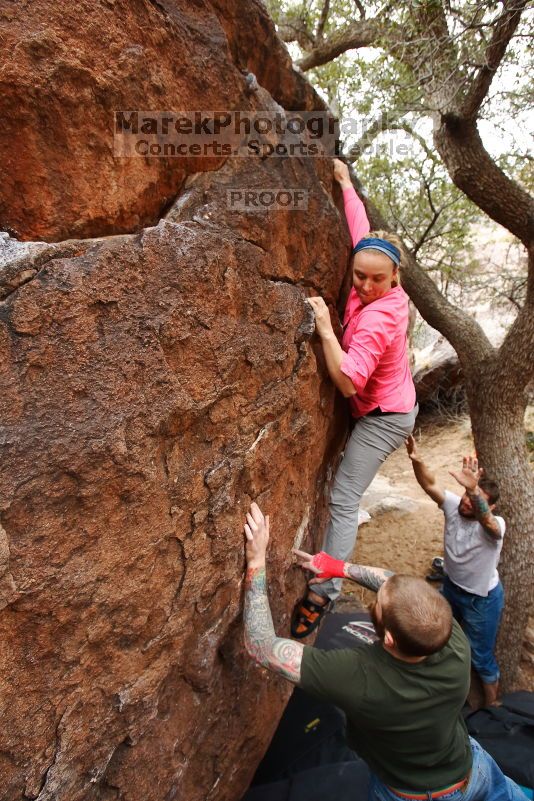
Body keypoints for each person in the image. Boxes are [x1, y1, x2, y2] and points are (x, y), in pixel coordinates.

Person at [243, 501, 528, 801]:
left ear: (389, 639)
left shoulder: (359, 677)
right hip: (474, 768)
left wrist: (256, 560)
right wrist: (338, 568)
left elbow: (261, 646)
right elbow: (395, 583)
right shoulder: (453, 641)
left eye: (377, 605)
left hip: (412, 795)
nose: (376, 598)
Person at [291, 158, 417, 638]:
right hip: (387, 404)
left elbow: (348, 381)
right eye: (358, 275)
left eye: (375, 279)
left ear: (395, 279)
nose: (363, 286)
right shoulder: (372, 265)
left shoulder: (381, 316)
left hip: (385, 417)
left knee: (344, 498)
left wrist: (325, 328)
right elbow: (361, 231)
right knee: (341, 491)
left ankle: (325, 592)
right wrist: (345, 184)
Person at [406, 437, 505, 707]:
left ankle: (492, 707)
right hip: (450, 588)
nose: (466, 504)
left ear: (490, 506)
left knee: (480, 656)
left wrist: (474, 491)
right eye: (465, 497)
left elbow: (490, 527)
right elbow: (430, 484)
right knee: (436, 635)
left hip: (481, 600)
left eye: (473, 501)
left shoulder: (495, 524)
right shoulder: (454, 506)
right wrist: (418, 462)